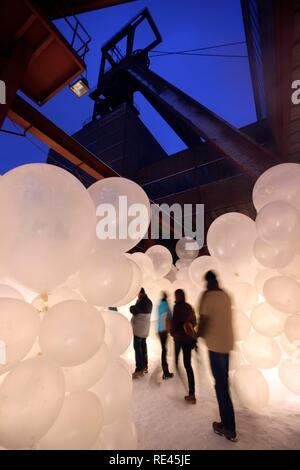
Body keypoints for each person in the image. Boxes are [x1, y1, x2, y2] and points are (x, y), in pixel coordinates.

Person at [197, 270, 237, 442]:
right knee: (224, 384)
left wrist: (196, 335)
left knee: (221, 387)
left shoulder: (209, 296)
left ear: (207, 282)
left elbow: (203, 320)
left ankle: (228, 427)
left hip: (215, 347)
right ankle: (228, 423)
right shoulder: (225, 295)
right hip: (227, 345)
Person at [171, 289, 197, 404]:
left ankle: (176, 374)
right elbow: (194, 322)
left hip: (179, 339)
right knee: (188, 365)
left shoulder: (177, 308)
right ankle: (192, 393)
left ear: (177, 297)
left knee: (177, 360)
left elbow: (174, 323)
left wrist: (172, 332)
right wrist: (189, 325)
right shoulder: (189, 307)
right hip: (188, 339)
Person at [130, 288, 152, 379]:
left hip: (139, 330)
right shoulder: (149, 301)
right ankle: (145, 366)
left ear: (140, 293)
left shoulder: (142, 301)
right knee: (143, 348)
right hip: (145, 329)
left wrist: (132, 306)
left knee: (138, 349)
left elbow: (134, 310)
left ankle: (139, 370)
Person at [157, 292, 174, 380]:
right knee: (164, 350)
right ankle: (165, 372)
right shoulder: (167, 305)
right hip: (164, 330)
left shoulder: (159, 305)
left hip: (159, 330)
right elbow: (171, 316)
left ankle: (165, 371)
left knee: (163, 349)